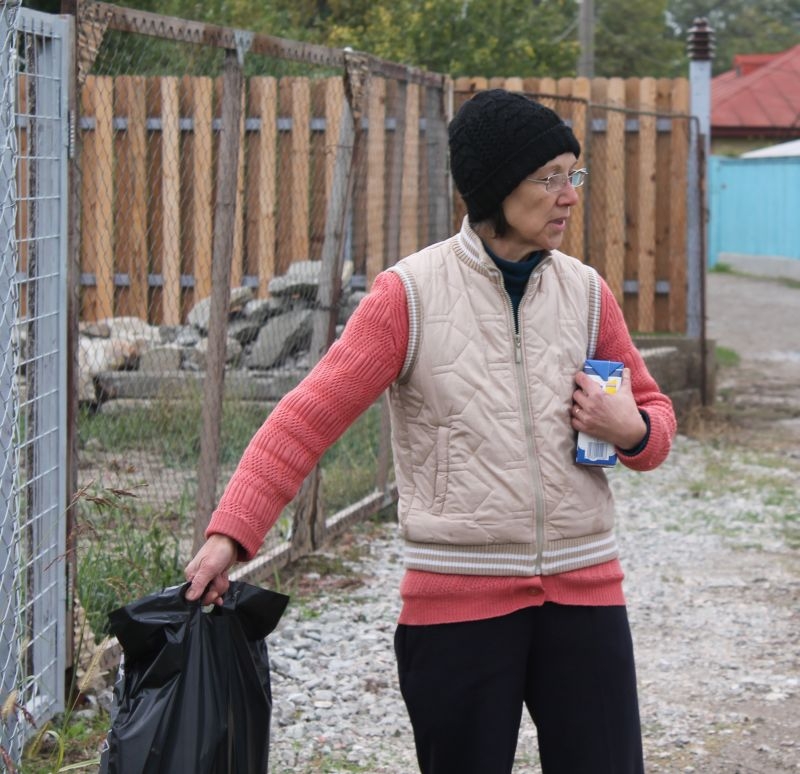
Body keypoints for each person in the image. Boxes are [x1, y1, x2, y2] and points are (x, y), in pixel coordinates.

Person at [184, 88, 677, 774]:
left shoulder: (587, 293)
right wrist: (229, 534)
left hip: (585, 594)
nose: (570, 195)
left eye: (574, 174)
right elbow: (306, 417)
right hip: (458, 608)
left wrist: (630, 429)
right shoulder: (408, 295)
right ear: (495, 186)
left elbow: (656, 427)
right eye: (551, 177)